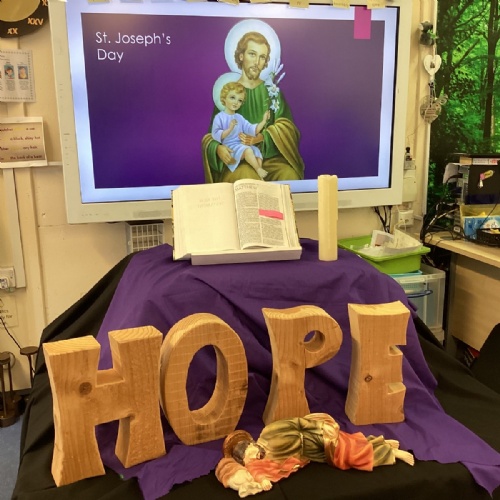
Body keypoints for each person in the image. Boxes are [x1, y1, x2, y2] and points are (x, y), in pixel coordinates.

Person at [216, 413, 414, 497]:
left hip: (316, 435)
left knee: (350, 454)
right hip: (314, 453)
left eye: (249, 454)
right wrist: (261, 481)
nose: (252, 459)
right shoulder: (264, 461)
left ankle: (392, 453)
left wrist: (320, 427)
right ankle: (383, 447)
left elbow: (297, 423)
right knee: (348, 454)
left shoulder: (269, 432)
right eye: (247, 460)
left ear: (250, 445)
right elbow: (260, 474)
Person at [202, 28, 305, 184]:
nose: (257, 62)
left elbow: (288, 129)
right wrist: (217, 148)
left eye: (262, 57)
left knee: (288, 175)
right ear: (241, 56)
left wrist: (261, 137)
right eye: (252, 54)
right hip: (239, 160)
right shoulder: (230, 92)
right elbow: (212, 134)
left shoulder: (272, 92)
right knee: (248, 178)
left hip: (269, 160)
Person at [212, 81, 270, 180]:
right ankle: (258, 169)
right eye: (232, 97)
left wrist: (263, 121)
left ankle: (260, 176)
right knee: (248, 150)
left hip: (240, 145)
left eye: (239, 100)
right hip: (230, 148)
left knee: (256, 151)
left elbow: (252, 129)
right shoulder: (219, 117)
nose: (236, 102)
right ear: (224, 98)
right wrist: (230, 129)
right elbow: (216, 135)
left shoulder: (239, 117)